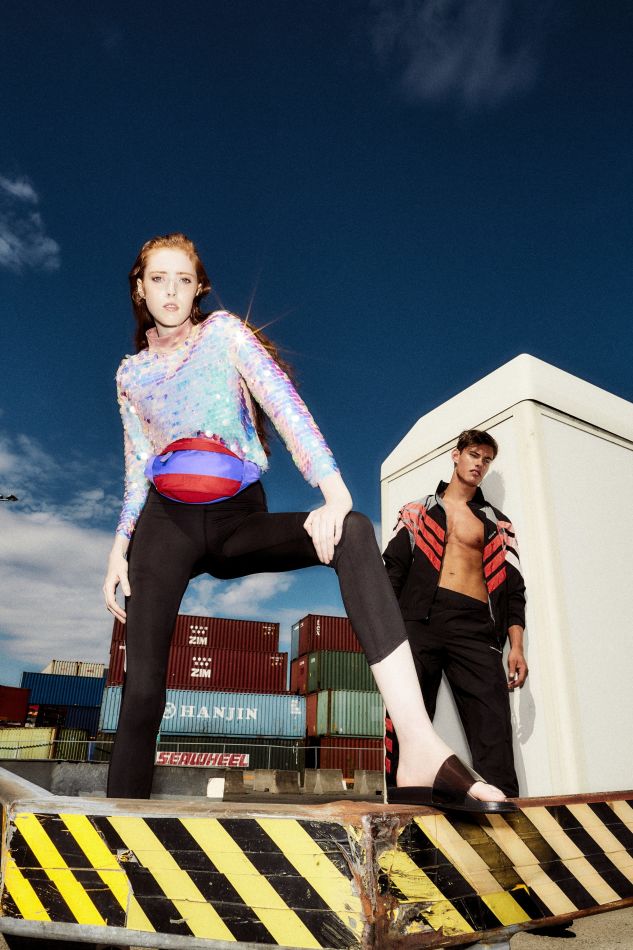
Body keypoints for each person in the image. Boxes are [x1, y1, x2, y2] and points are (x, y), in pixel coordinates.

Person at [103, 232, 515, 812]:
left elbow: (284, 406)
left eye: (183, 280)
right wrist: (118, 547)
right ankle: (119, 824)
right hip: (164, 526)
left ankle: (420, 747)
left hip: (236, 519)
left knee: (354, 531)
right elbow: (137, 469)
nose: (170, 291)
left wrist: (334, 493)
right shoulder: (131, 375)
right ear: (140, 288)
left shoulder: (224, 334)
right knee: (142, 686)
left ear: (199, 290)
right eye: (158, 279)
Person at [383, 429, 528, 797]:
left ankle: (502, 804)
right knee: (406, 717)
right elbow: (392, 572)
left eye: (487, 460)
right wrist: (386, 636)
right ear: (456, 455)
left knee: (492, 723)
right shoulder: (416, 511)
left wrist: (517, 646)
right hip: (420, 621)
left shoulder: (498, 523)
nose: (480, 464)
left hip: (476, 625)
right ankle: (400, 803)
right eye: (474, 455)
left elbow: (514, 589)